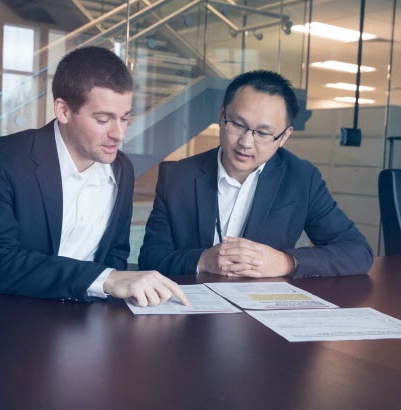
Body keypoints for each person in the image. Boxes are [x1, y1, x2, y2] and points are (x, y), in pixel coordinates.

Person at [0, 46, 189, 307]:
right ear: (63, 111)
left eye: (124, 118)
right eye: (103, 119)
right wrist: (107, 280)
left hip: (77, 314)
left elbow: (115, 253)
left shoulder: (122, 169)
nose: (119, 134)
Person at [138, 70, 373, 278]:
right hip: (190, 310)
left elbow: (357, 251)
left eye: (263, 133)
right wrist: (203, 260)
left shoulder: (301, 178)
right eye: (238, 125)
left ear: (284, 137)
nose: (246, 143)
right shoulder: (178, 176)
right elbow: (151, 257)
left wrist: (285, 261)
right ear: (221, 116)